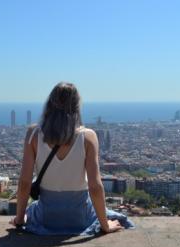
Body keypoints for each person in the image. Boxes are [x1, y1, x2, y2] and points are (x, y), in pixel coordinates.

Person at [10, 82, 135, 235]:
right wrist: (105, 225)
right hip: (80, 218)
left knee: (32, 210)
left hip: (48, 218)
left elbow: (24, 183)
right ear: (76, 106)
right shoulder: (88, 137)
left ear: (50, 104)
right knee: (121, 219)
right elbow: (95, 187)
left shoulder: (33, 134)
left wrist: (19, 219)